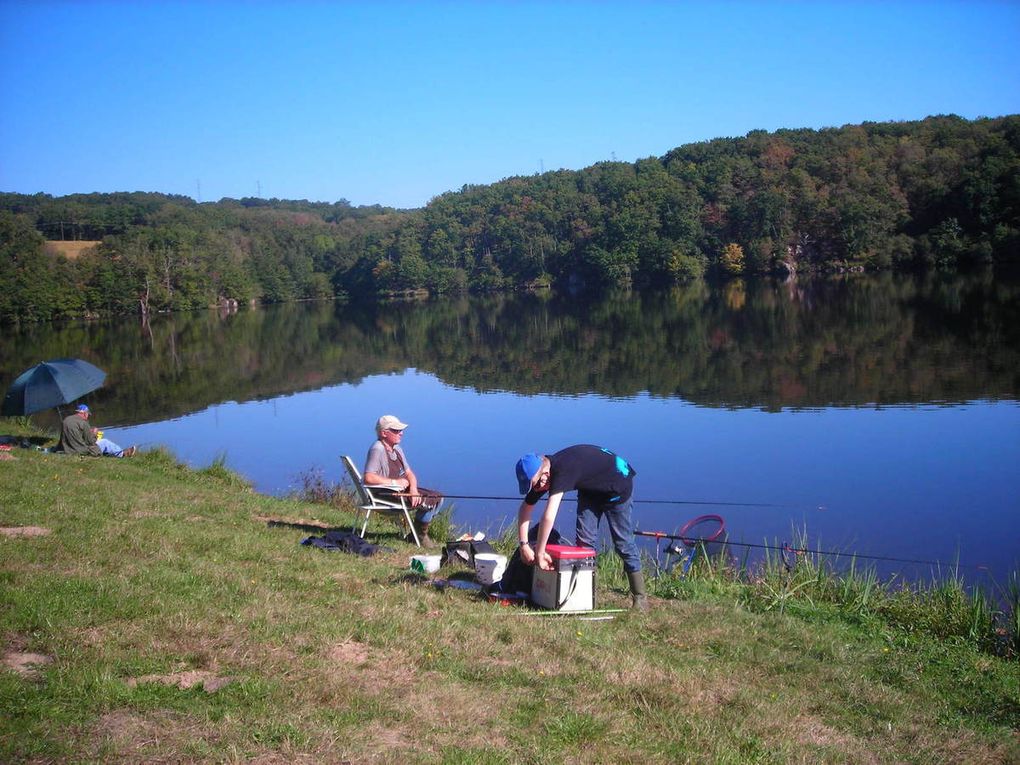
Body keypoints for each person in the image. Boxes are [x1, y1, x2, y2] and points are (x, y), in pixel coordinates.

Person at [515, 444, 648, 610]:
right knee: (585, 543)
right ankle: (582, 596)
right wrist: (523, 545)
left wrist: (540, 553)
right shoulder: (542, 476)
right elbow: (525, 508)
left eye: (535, 484)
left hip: (618, 486)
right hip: (591, 490)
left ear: (544, 475)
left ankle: (640, 599)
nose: (536, 489)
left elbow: (549, 516)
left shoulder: (561, 471)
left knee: (623, 544)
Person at [363, 415, 443, 547]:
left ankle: (416, 534)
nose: (401, 433)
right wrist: (395, 483)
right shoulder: (377, 449)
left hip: (400, 492)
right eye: (396, 430)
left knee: (437, 497)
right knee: (428, 501)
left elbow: (409, 473)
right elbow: (368, 477)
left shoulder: (397, 449)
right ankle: (419, 536)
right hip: (383, 495)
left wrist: (413, 490)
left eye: (400, 430)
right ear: (384, 433)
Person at [57, 404, 136, 457]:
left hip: (66, 449)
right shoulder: (83, 423)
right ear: (84, 413)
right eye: (88, 414)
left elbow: (73, 435)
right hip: (79, 451)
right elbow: (90, 442)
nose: (88, 417)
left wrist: (88, 432)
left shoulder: (66, 419)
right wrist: (94, 434)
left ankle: (113, 453)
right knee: (105, 442)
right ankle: (123, 454)